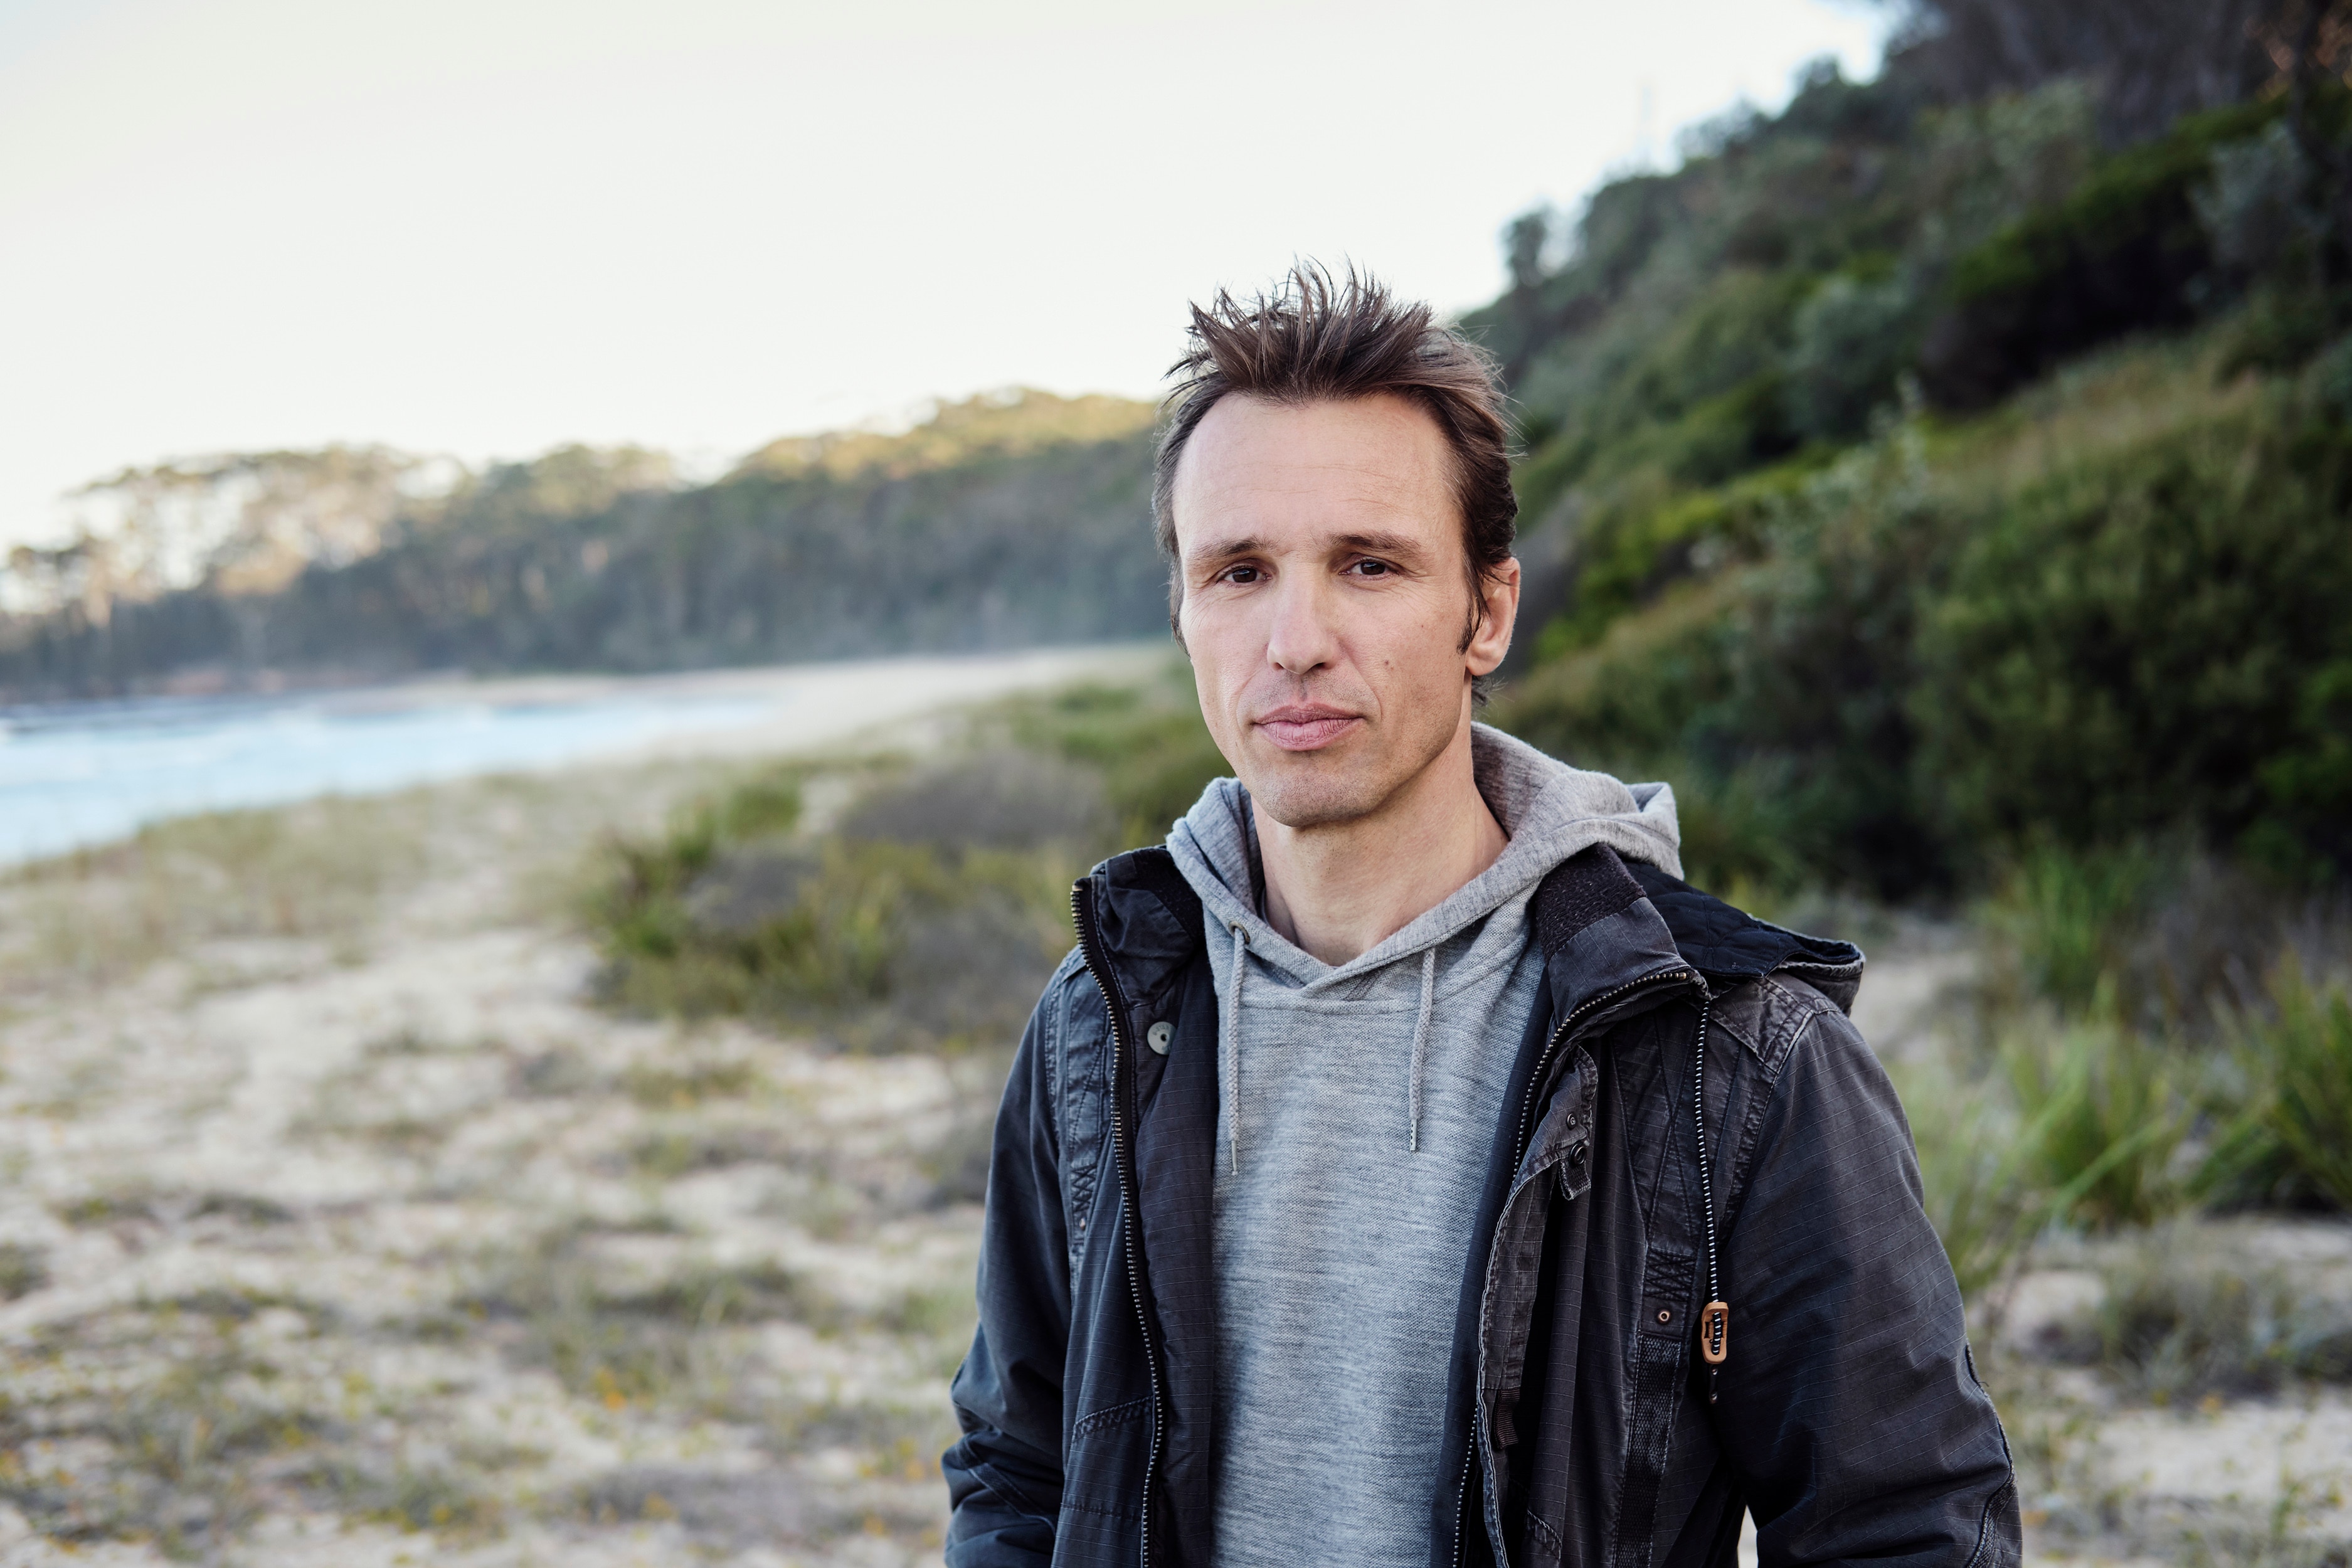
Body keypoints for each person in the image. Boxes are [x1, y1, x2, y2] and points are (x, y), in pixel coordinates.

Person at [942, 263, 2020, 1568]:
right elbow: (1018, 1461)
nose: (1295, 638)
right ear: (1182, 611)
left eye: (1370, 564)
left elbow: (1904, 1527)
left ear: (1488, 609)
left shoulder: (1730, 1054)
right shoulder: (1102, 1017)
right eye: (1238, 570)